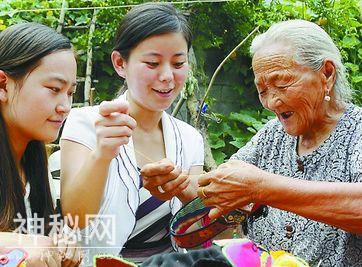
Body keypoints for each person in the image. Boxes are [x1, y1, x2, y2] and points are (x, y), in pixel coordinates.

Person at [197, 19, 362, 266]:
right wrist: (178, 184)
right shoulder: (272, 135)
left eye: (282, 84)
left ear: (326, 74)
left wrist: (263, 188)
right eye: (262, 90)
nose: (271, 102)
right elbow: (225, 187)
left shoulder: (357, 132)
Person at [60, 2, 204, 265]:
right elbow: (75, 219)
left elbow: (195, 230)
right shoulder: (85, 124)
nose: (167, 76)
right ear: (120, 63)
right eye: (152, 63)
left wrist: (185, 192)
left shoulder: (189, 138)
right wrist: (103, 154)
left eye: (178, 63)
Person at [0, 23, 80, 266]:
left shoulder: (32, 159)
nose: (65, 106)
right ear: (3, 85)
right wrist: (30, 245)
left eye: (70, 92)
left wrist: (61, 241)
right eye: (54, 89)